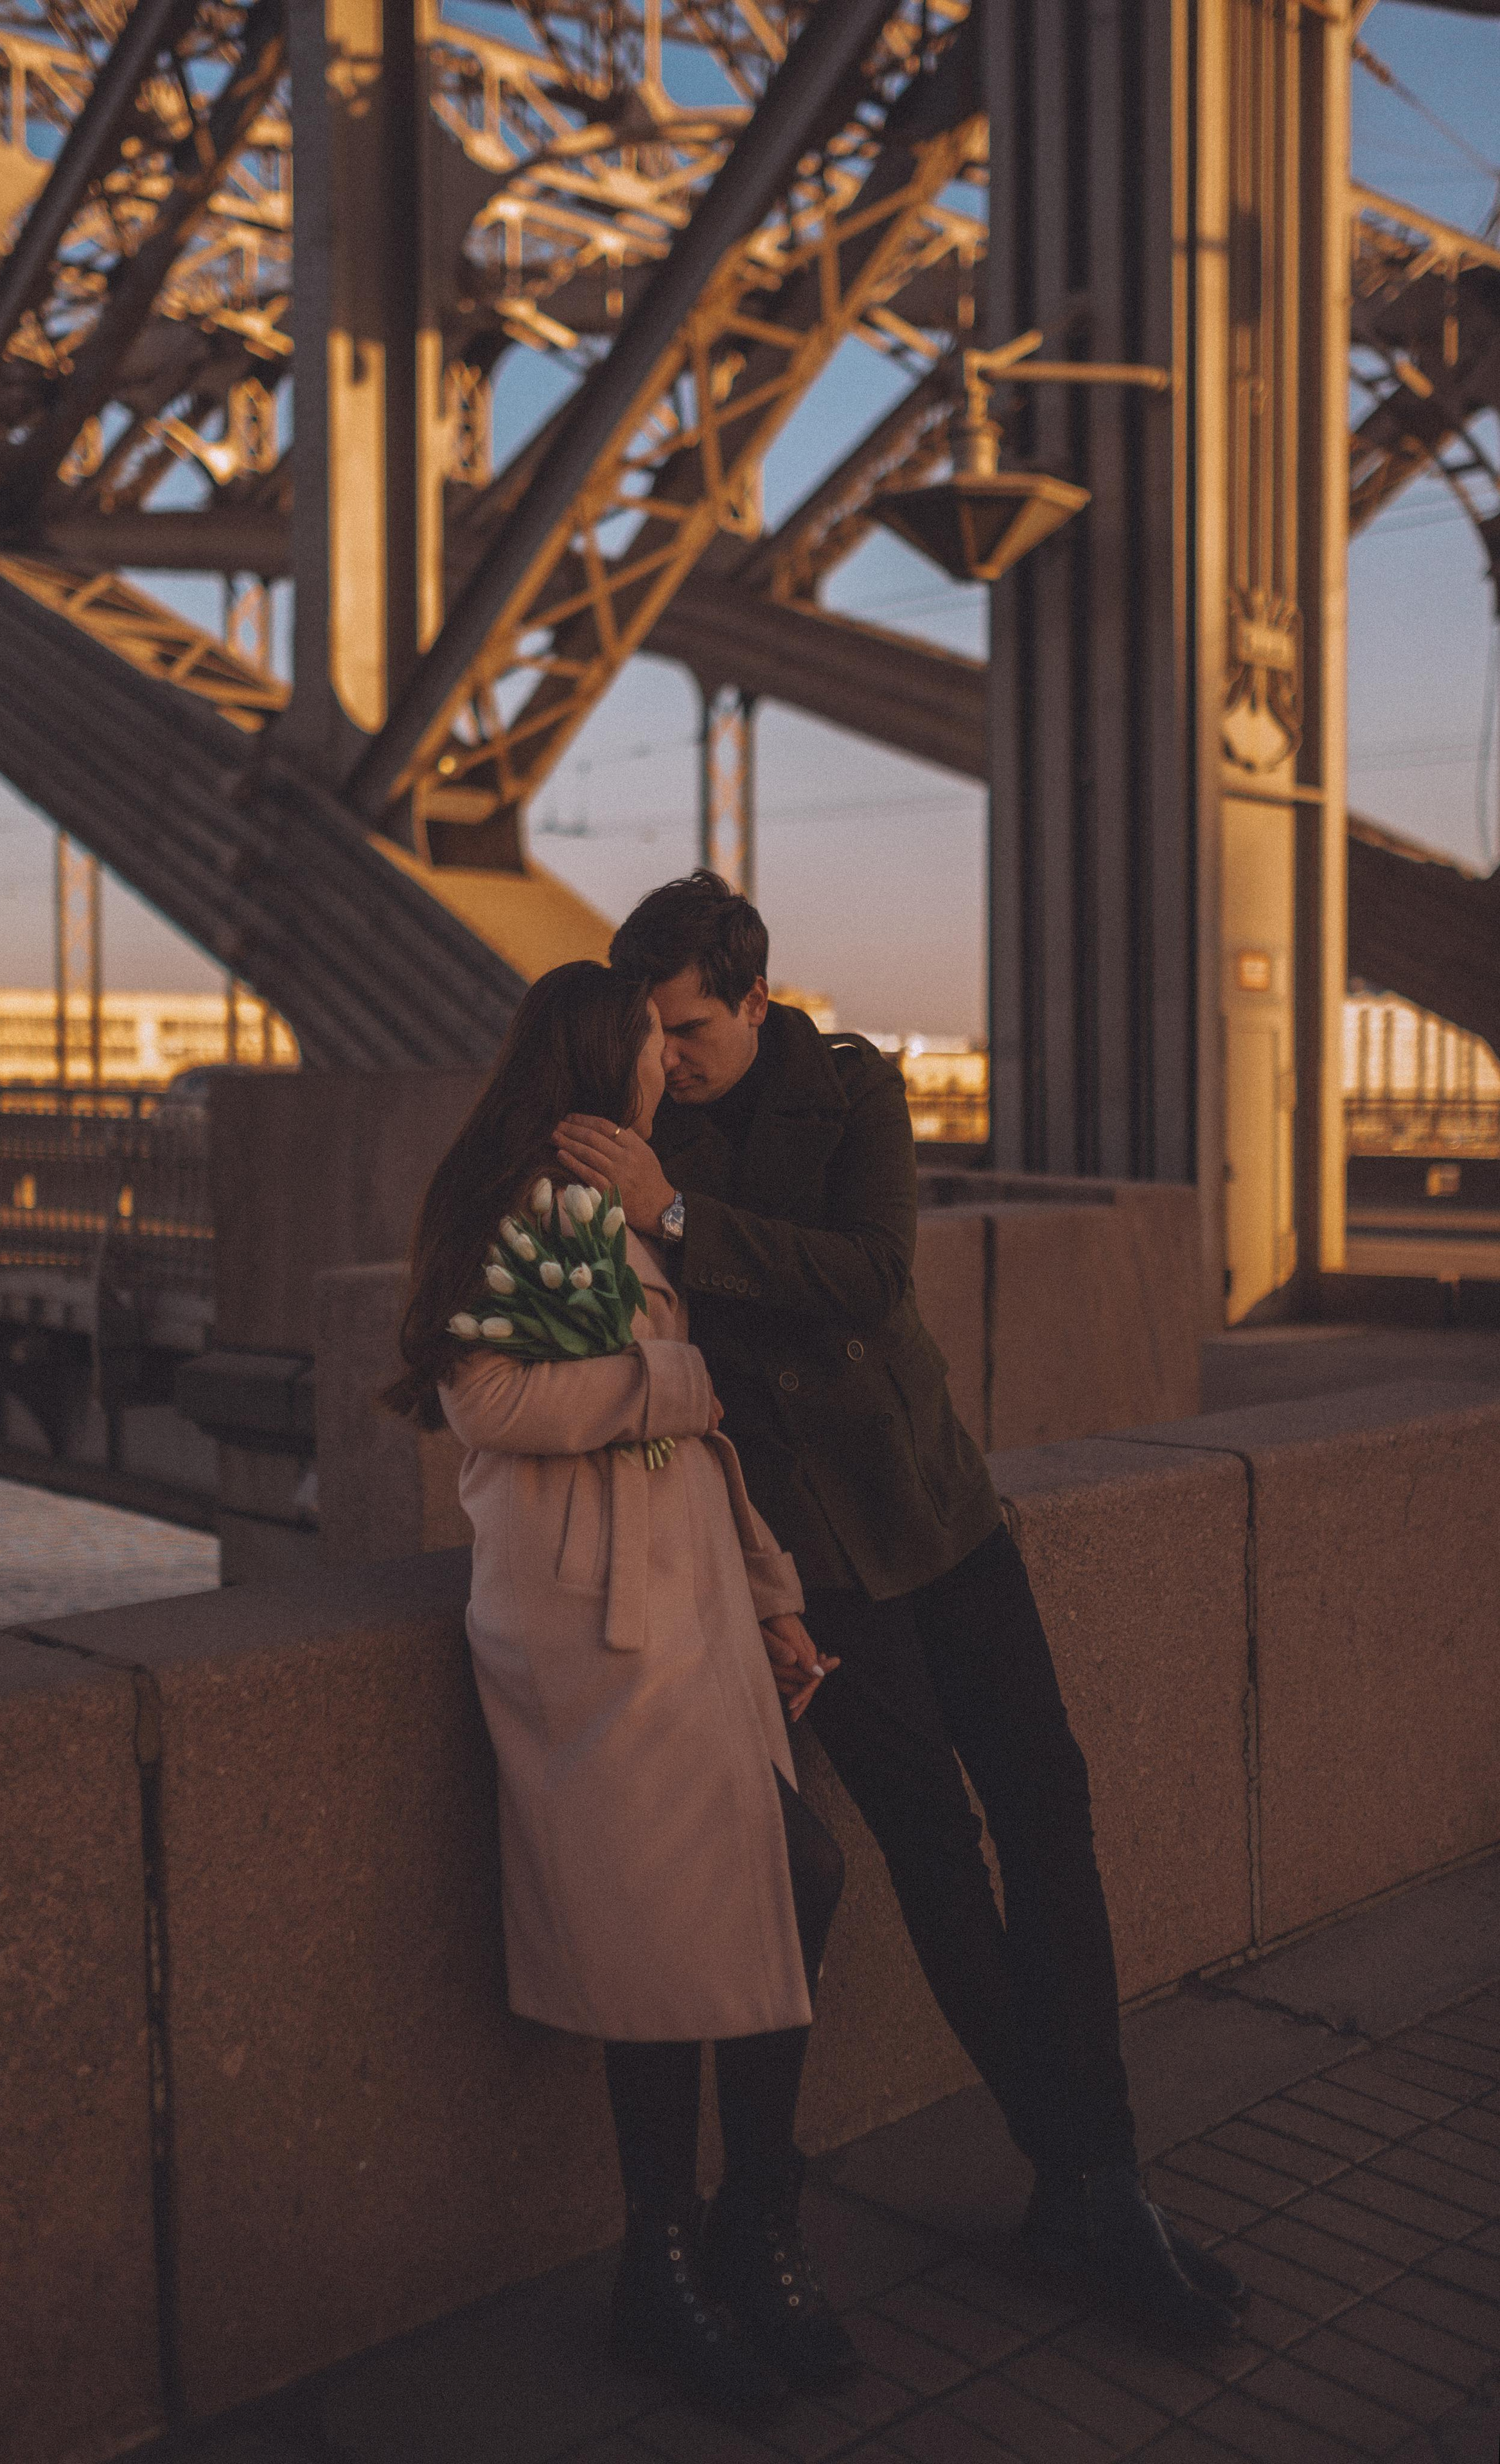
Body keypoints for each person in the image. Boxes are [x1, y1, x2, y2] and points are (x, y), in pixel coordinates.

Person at [549, 873, 1247, 2343]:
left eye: (689, 1028)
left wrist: (671, 1211)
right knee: (933, 1853)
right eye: (649, 1032)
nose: (667, 1057)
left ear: (754, 999)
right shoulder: (629, 1122)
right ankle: (1083, 2181)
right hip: (814, 1561)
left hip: (938, 1512)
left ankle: (1094, 2170)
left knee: (1047, 1812)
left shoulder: (850, 1090)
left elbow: (868, 1278)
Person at [389, 960, 860, 2416]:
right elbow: (486, 1399)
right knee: (677, 1934)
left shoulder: (613, 1200)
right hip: (598, 1632)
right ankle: (671, 2261)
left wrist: (771, 1594)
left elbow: (695, 1445)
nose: (667, 1058)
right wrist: (666, 1382)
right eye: (650, 1039)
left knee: (790, 1879)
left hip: (689, 1613)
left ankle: (744, 2226)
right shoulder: (526, 1207)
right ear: (605, 1056)